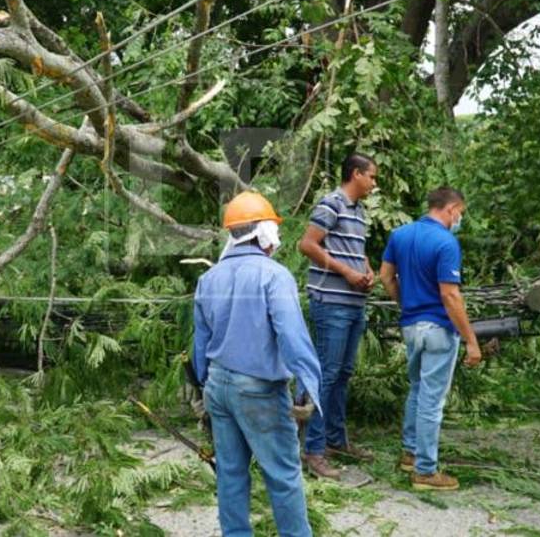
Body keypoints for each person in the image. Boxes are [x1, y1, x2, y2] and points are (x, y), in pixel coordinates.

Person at [193, 191, 323, 537]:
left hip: (218, 386)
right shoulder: (273, 275)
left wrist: (202, 386)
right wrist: (309, 385)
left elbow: (200, 343)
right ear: (265, 233)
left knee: (231, 472)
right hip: (259, 390)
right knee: (282, 474)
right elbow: (292, 336)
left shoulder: (209, 278)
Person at [380, 187, 482, 491]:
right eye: (460, 212)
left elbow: (385, 277)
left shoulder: (400, 234)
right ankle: (426, 470)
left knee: (417, 389)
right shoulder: (446, 242)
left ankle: (410, 453)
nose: (459, 218)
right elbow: (450, 295)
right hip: (438, 328)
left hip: (411, 326)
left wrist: (406, 304)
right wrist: (471, 340)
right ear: (450, 208)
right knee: (431, 401)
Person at [297, 153, 378, 478]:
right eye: (371, 176)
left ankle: (335, 439)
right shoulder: (331, 204)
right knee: (326, 375)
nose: (374, 183)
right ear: (355, 174)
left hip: (354, 303)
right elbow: (307, 245)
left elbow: (356, 251)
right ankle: (313, 452)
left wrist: (367, 271)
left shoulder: (359, 212)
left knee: (343, 373)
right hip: (331, 303)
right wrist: (346, 272)